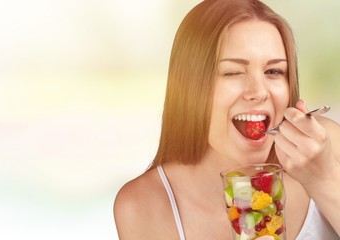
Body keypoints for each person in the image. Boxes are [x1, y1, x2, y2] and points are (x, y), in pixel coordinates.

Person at [113, 0, 340, 239]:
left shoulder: (327, 146)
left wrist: (324, 180)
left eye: (273, 71)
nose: (259, 91)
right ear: (190, 87)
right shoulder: (144, 206)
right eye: (232, 72)